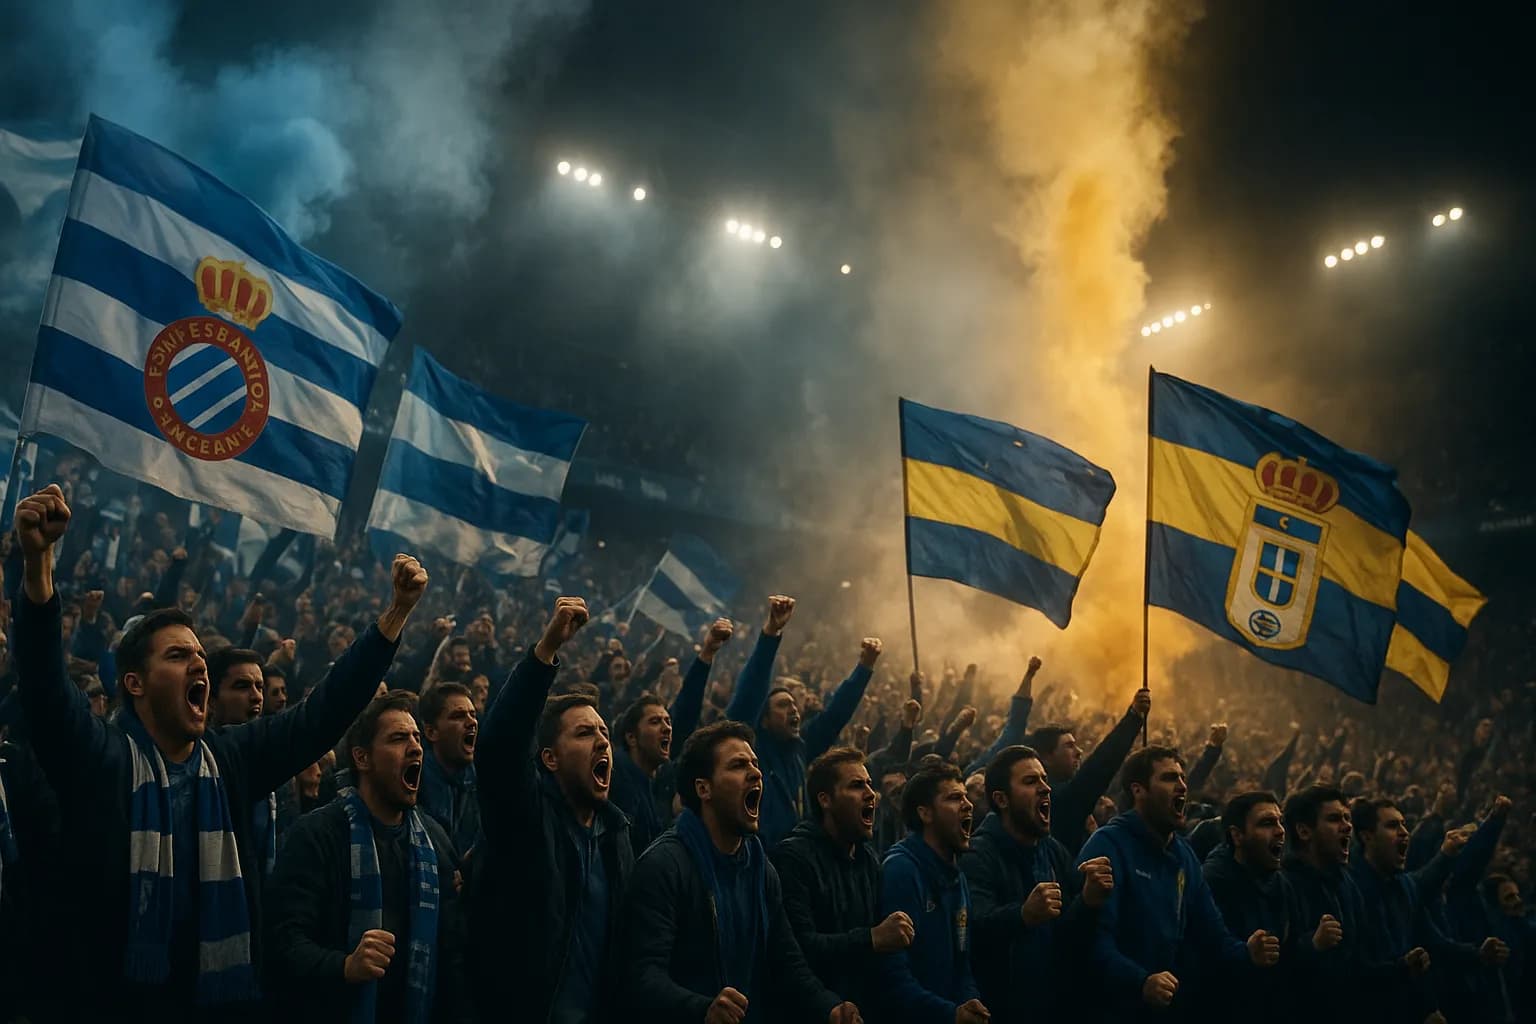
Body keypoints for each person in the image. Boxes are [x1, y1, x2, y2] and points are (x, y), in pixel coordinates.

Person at [8, 483, 425, 1020]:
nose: (200, 665)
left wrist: (394, 616)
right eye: (179, 655)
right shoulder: (100, 759)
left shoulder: (230, 760)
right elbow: (44, 690)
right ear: (133, 683)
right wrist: (39, 565)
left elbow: (322, 715)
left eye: (201, 655)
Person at [617, 720, 862, 1023]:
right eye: (737, 765)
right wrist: (701, 1008)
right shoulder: (665, 866)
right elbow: (642, 976)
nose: (756, 773)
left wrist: (830, 1007)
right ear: (703, 788)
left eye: (755, 764)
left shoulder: (761, 869)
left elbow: (786, 960)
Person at [466, 596, 634, 1024]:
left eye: (603, 732)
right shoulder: (525, 823)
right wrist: (544, 653)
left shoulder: (618, 837)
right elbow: (498, 749)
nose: (601, 741)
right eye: (583, 733)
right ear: (549, 758)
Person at [264, 691, 467, 1024]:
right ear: (362, 758)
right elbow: (282, 941)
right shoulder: (316, 835)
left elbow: (453, 953)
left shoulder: (435, 840)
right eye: (399, 738)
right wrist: (344, 966)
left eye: (417, 738)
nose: (416, 747)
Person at [1076, 746, 1278, 1021]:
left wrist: (1246, 953)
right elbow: (1091, 940)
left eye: (1183, 778)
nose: (1182, 786)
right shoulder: (1108, 845)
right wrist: (1141, 981)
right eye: (1170, 778)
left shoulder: (1184, 856)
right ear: (1139, 791)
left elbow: (1211, 934)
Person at [963, 745, 1113, 1022]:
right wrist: (1023, 915)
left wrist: (1088, 901)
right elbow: (975, 928)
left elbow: (1070, 933)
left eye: (1044, 779)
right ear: (1002, 799)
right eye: (1031, 781)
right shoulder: (978, 855)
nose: (1045, 788)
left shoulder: (1053, 851)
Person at [724, 596, 880, 846]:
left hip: (793, 862)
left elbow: (833, 717)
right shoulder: (753, 751)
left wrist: (864, 668)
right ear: (763, 719)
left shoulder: (800, 748)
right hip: (759, 858)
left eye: (795, 705)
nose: (794, 710)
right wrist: (771, 633)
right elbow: (750, 692)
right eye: (783, 705)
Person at [772, 746, 916, 1010]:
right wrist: (872, 938)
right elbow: (799, 948)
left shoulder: (868, 861)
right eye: (856, 785)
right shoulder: (793, 858)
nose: (871, 794)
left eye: (870, 785)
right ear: (825, 800)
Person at [1347, 797, 1509, 1020]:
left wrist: (1477, 954)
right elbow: (1355, 973)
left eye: (1403, 824)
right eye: (1392, 825)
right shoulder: (1349, 891)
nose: (1404, 832)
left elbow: (1434, 943)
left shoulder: (1403, 887)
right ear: (1367, 836)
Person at [876, 759, 990, 1024]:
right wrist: (949, 1014)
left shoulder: (957, 875)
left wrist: (970, 1001)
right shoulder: (901, 871)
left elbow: (963, 963)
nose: (968, 804)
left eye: (965, 796)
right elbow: (893, 976)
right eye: (953, 798)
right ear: (925, 814)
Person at [1202, 791, 1329, 1022]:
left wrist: (1313, 944)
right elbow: (1204, 960)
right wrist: (1246, 954)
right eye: (1267, 823)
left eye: (1280, 822)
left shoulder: (1282, 883)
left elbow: (1290, 954)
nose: (1280, 831)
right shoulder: (1212, 884)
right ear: (1238, 836)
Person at [611, 617, 734, 854]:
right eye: (655, 722)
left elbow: (686, 712)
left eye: (667, 721)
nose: (667, 728)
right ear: (631, 737)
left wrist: (707, 653)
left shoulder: (665, 779)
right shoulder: (613, 780)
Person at [1026, 683, 1151, 855]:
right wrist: (1133, 718)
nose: (1079, 752)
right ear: (1046, 757)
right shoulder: (1054, 798)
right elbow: (1096, 771)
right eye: (1069, 746)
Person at [416, 682, 479, 854]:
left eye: (473, 714)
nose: (471, 722)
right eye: (458, 716)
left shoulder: (483, 781)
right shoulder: (413, 785)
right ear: (431, 732)